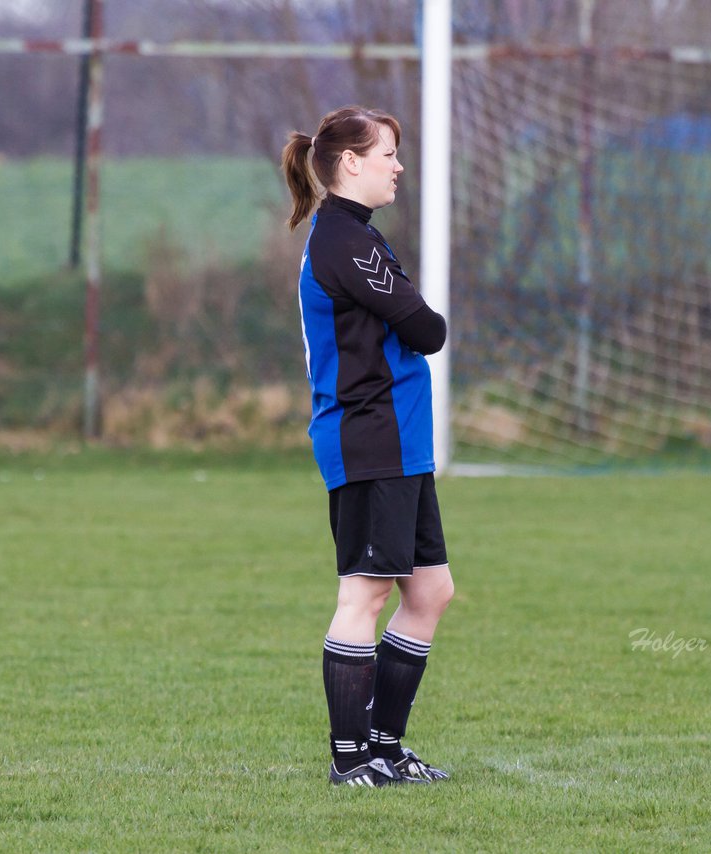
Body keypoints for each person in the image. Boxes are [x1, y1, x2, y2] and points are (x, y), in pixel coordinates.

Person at [280, 106, 455, 787]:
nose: (398, 166)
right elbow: (427, 327)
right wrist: (415, 313)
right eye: (387, 153)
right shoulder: (344, 243)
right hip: (366, 437)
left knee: (431, 591)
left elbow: (414, 325)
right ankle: (351, 760)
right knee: (366, 592)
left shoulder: (360, 239)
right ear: (350, 162)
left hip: (400, 442)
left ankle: (384, 747)